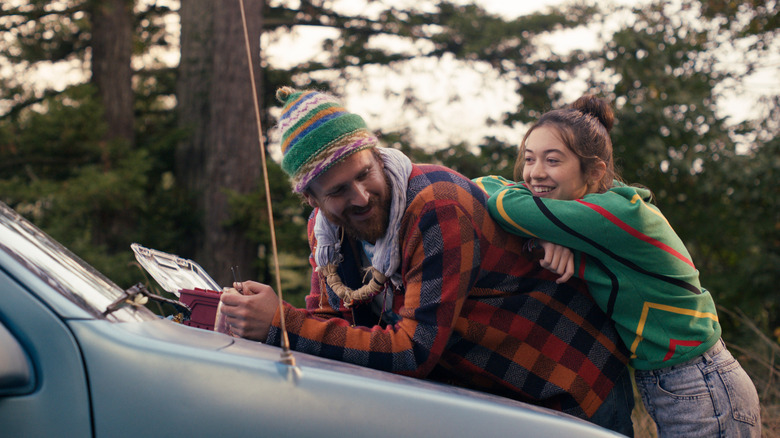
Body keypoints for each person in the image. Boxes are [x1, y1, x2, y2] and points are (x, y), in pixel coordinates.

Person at [218, 86, 633, 432]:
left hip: (571, 386)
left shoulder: (438, 206)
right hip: (495, 399)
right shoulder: (325, 234)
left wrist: (280, 325)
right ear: (313, 200)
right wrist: (257, 320)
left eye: (364, 174)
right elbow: (329, 321)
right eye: (339, 191)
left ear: (377, 156)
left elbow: (412, 352)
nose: (360, 197)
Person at [473, 95, 761, 437]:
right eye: (530, 159)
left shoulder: (614, 215)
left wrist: (542, 231)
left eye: (552, 160)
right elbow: (483, 183)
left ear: (594, 171)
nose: (535, 173)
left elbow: (501, 202)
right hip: (682, 381)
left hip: (699, 383)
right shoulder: (600, 208)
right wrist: (546, 238)